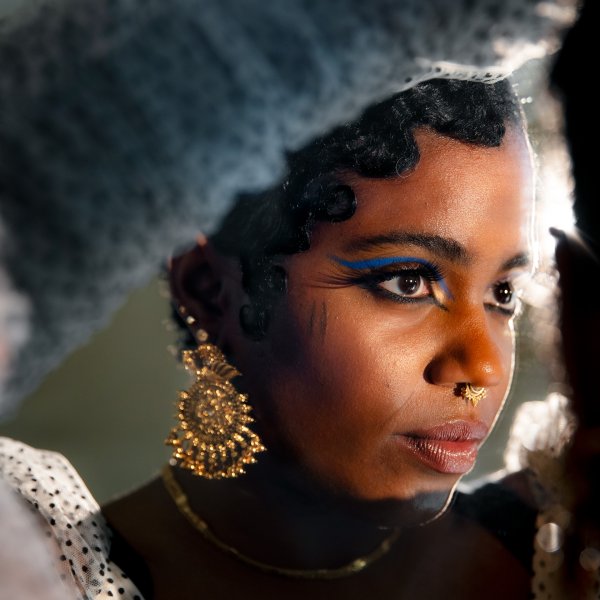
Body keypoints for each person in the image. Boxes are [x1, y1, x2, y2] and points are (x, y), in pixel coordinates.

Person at [103, 78, 537, 598]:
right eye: (408, 282)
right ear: (211, 291)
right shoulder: (51, 573)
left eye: (503, 293)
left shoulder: (556, 551)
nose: (483, 369)